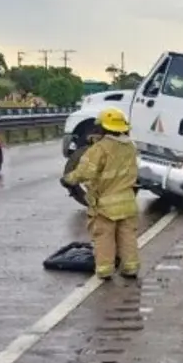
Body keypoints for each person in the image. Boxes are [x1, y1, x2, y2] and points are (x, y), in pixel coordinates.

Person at [60, 107, 140, 279]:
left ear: (102, 128)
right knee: (127, 236)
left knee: (104, 237)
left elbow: (84, 173)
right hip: (127, 201)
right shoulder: (130, 147)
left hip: (106, 205)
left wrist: (68, 179)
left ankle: (105, 270)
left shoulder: (99, 149)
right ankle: (130, 268)